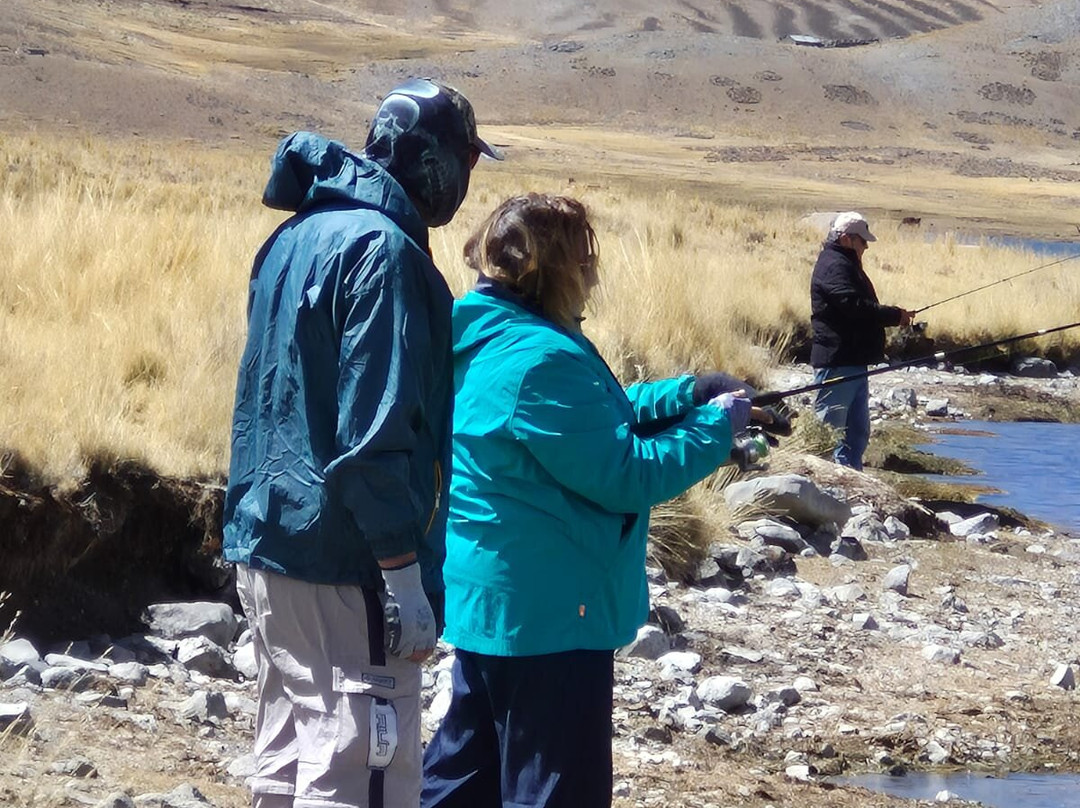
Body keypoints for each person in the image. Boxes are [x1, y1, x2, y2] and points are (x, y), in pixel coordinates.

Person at [421, 193, 753, 808]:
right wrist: (714, 431)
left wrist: (690, 393)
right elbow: (623, 473)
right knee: (551, 790)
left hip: (493, 603)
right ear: (554, 267)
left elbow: (587, 421)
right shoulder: (540, 357)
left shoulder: (488, 333)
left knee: (463, 777)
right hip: (551, 614)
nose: (593, 269)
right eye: (583, 256)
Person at [222, 78, 499, 808]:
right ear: (431, 160)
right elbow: (375, 433)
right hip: (349, 563)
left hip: (269, 541)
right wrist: (402, 574)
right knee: (362, 770)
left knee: (289, 749)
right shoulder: (387, 254)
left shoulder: (292, 237)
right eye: (467, 161)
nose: (467, 184)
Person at [810, 211, 913, 470]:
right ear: (846, 239)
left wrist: (894, 315)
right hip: (838, 359)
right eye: (862, 241)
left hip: (853, 360)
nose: (866, 246)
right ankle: (821, 480)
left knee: (856, 433)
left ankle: (851, 480)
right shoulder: (834, 265)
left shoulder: (844, 263)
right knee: (828, 431)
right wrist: (894, 315)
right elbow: (854, 307)